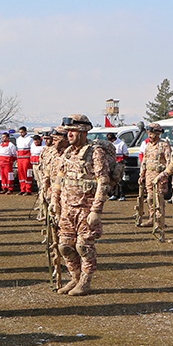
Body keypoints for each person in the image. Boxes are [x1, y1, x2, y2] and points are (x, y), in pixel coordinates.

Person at [54, 115, 112, 296]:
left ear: (83, 132)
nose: (69, 134)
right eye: (68, 131)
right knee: (64, 246)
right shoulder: (68, 152)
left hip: (85, 209)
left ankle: (86, 281)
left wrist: (96, 210)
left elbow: (103, 181)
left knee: (84, 247)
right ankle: (75, 277)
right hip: (67, 208)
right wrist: (54, 201)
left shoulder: (95, 152)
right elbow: (59, 178)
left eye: (73, 131)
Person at [137, 124, 172, 239]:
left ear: (158, 133)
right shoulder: (148, 146)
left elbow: (169, 162)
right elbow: (145, 161)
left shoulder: (163, 145)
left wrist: (165, 176)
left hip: (159, 176)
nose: (150, 136)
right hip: (149, 175)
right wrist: (142, 174)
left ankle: (160, 221)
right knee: (150, 198)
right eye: (149, 133)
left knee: (159, 199)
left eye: (152, 133)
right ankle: (152, 218)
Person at [108, 133, 129, 201]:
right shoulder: (110, 144)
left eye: (111, 140)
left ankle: (122, 195)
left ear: (114, 138)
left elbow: (126, 154)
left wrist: (120, 159)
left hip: (119, 163)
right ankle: (114, 194)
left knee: (119, 179)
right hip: (112, 163)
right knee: (113, 179)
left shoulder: (121, 144)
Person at [15, 126, 34, 194]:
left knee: (27, 174)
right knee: (21, 174)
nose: (21, 134)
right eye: (20, 132)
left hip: (27, 158)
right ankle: (22, 189)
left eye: (22, 132)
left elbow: (32, 149)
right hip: (20, 159)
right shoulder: (18, 139)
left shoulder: (29, 139)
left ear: (25, 132)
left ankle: (28, 189)